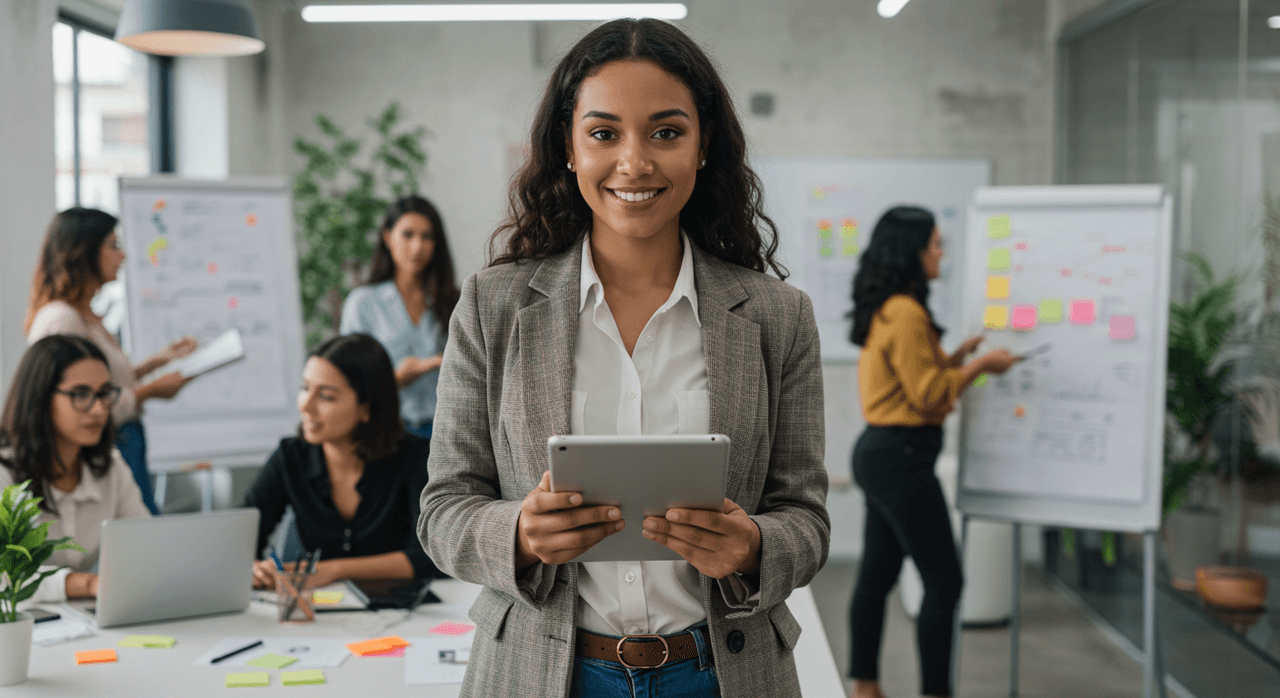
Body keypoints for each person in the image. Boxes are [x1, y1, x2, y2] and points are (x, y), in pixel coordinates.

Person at [419, 18, 829, 698]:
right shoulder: (493, 306)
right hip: (544, 670)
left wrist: (753, 548)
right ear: (569, 149)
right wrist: (518, 531)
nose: (634, 162)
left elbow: (807, 518)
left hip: (722, 673)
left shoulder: (776, 317)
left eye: (666, 132)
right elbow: (443, 510)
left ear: (703, 148)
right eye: (604, 133)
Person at [846, 206, 1019, 698]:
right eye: (936, 243)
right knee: (945, 582)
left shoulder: (891, 307)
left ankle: (865, 686)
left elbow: (913, 375)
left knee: (877, 576)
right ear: (913, 251)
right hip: (901, 458)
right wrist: (982, 365)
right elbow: (925, 393)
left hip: (882, 453)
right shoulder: (907, 311)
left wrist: (955, 358)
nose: (942, 252)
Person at [25, 207, 198, 515]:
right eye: (113, 245)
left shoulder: (86, 314)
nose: (123, 256)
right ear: (84, 250)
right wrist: (152, 390)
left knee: (142, 535)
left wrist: (157, 361)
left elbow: (103, 382)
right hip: (103, 444)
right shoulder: (63, 320)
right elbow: (72, 402)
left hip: (120, 443)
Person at [245, 333, 440, 590]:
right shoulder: (290, 456)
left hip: (411, 613)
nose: (306, 405)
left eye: (326, 396)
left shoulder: (416, 457)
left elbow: (432, 556)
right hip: (323, 616)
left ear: (366, 408)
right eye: (305, 388)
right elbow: (242, 538)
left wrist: (334, 570)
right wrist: (253, 568)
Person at [0, 335, 151, 603]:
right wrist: (85, 583)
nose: (98, 410)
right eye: (81, 394)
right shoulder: (4, 472)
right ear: (41, 397)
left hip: (80, 623)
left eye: (104, 393)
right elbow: (4, 577)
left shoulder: (111, 468)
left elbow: (146, 546)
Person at [340, 195, 460, 440]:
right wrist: (395, 379)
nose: (417, 247)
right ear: (387, 237)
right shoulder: (363, 303)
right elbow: (350, 383)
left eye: (427, 236)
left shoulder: (452, 300)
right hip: (390, 434)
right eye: (408, 234)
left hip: (448, 433)